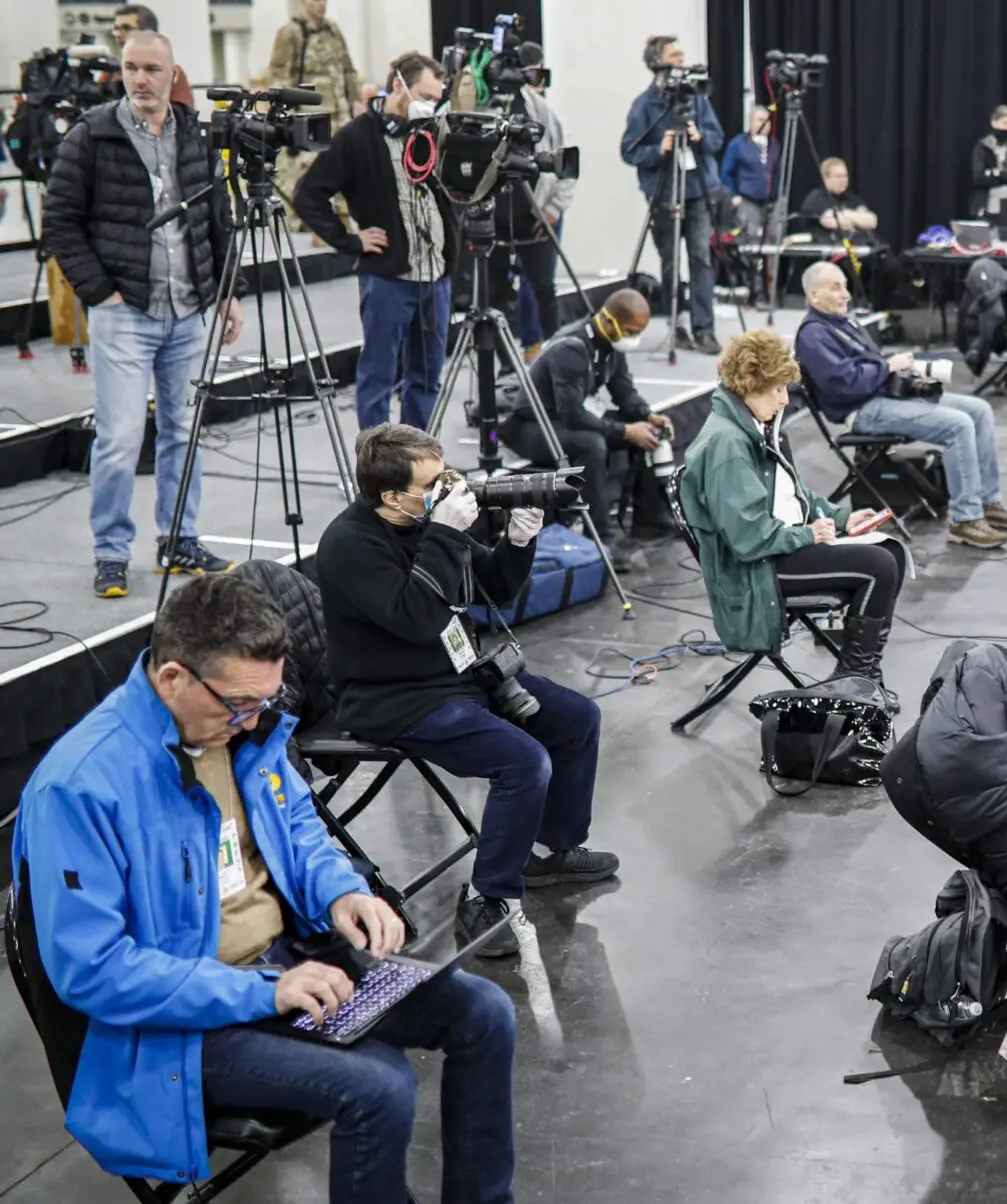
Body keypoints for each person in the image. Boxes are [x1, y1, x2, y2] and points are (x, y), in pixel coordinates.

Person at [12, 572, 517, 1198]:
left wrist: (342, 892)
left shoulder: (241, 726)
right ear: (172, 678)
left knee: (484, 1012)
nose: (253, 721)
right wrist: (267, 991)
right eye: (240, 704)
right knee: (379, 1085)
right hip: (176, 1027)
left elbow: (300, 827)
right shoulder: (80, 787)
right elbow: (92, 971)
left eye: (265, 702)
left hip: (288, 967)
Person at [316, 424, 620, 957]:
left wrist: (519, 542)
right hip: (393, 697)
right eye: (434, 483)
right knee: (523, 762)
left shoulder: (429, 523)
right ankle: (486, 896)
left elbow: (494, 587)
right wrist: (447, 534)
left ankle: (548, 850)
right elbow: (414, 619)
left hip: (458, 676)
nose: (450, 490)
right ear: (392, 496)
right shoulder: (348, 544)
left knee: (576, 718)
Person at [41, 30, 246, 600]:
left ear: (172, 72)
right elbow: (59, 221)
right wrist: (99, 292)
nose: (140, 79)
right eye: (131, 68)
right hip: (124, 312)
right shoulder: (92, 134)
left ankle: (179, 538)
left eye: (152, 68)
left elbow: (217, 218)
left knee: (184, 431)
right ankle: (111, 551)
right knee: (121, 436)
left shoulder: (193, 135)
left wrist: (230, 291)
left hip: (189, 309)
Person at [679, 329, 904, 700]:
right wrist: (808, 535)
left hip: (774, 549)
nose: (785, 400)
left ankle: (863, 674)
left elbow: (791, 496)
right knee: (878, 566)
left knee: (890, 553)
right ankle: (853, 678)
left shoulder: (751, 426)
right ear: (750, 382)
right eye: (778, 390)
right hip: (754, 570)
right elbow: (748, 538)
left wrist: (842, 518)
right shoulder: (729, 444)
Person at [792, 260, 1007, 548]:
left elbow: (868, 367)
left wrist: (901, 372)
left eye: (845, 286)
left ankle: (988, 502)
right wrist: (888, 368)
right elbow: (845, 385)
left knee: (979, 411)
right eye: (836, 287)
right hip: (863, 409)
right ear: (813, 295)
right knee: (958, 425)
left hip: (884, 395)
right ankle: (965, 519)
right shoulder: (813, 334)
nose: (846, 294)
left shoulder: (843, 323)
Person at [294, 51, 457, 431]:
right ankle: (375, 470)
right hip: (389, 277)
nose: (431, 106)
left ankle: (418, 463)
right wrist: (349, 240)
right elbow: (308, 195)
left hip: (436, 276)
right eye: (426, 97)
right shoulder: (356, 137)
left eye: (437, 99)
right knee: (377, 378)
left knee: (427, 377)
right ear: (399, 84)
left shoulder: (432, 132)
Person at [498, 289, 672, 567]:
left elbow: (624, 392)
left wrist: (648, 416)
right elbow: (573, 415)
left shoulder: (611, 344)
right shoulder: (572, 347)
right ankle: (600, 538)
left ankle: (650, 519)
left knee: (646, 433)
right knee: (592, 443)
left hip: (562, 421)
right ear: (609, 320)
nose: (634, 339)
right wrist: (626, 431)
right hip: (531, 426)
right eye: (631, 331)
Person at [620, 34, 727, 353]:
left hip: (699, 191)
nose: (681, 61)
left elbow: (717, 139)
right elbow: (629, 151)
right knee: (670, 261)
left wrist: (699, 135)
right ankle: (676, 325)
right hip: (664, 192)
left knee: (701, 257)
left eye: (682, 56)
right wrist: (659, 149)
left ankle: (704, 328)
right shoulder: (644, 105)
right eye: (674, 56)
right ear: (657, 63)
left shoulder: (698, 98)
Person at [266, 0, 370, 228]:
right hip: (310, 115)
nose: (321, 3)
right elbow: (280, 76)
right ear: (302, 0)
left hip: (340, 113)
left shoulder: (333, 31)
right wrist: (286, 116)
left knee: (347, 164)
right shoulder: (291, 33)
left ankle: (345, 220)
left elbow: (347, 69)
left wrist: (356, 102)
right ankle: (312, 222)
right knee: (311, 171)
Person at [504, 43, 573, 352]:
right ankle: (508, 353)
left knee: (541, 285)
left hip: (540, 211)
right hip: (499, 211)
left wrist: (553, 210)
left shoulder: (544, 112)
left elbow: (568, 164)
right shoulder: (485, 106)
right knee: (497, 288)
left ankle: (546, 348)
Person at [794, 156, 909, 309]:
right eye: (838, 176)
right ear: (825, 178)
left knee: (892, 266)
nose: (843, 180)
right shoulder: (816, 199)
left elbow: (872, 221)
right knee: (856, 266)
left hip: (862, 246)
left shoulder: (852, 199)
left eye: (845, 176)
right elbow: (832, 222)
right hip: (833, 251)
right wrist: (856, 218)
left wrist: (846, 215)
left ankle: (878, 308)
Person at [108, 3, 193, 106]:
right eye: (116, 29)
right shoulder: (109, 72)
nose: (119, 34)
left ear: (148, 32)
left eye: (126, 28)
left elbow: (183, 115)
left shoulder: (171, 72)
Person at [721, 104, 777, 244]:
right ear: (751, 122)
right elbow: (726, 172)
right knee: (750, 237)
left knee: (773, 239)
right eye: (760, 120)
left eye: (767, 120)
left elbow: (779, 172)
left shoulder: (775, 145)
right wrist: (734, 195)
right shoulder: (738, 144)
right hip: (747, 200)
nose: (764, 123)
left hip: (771, 203)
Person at [969, 103, 1007, 217]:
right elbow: (978, 177)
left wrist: (997, 173)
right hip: (987, 203)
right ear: (994, 123)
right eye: (1005, 123)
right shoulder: (982, 147)